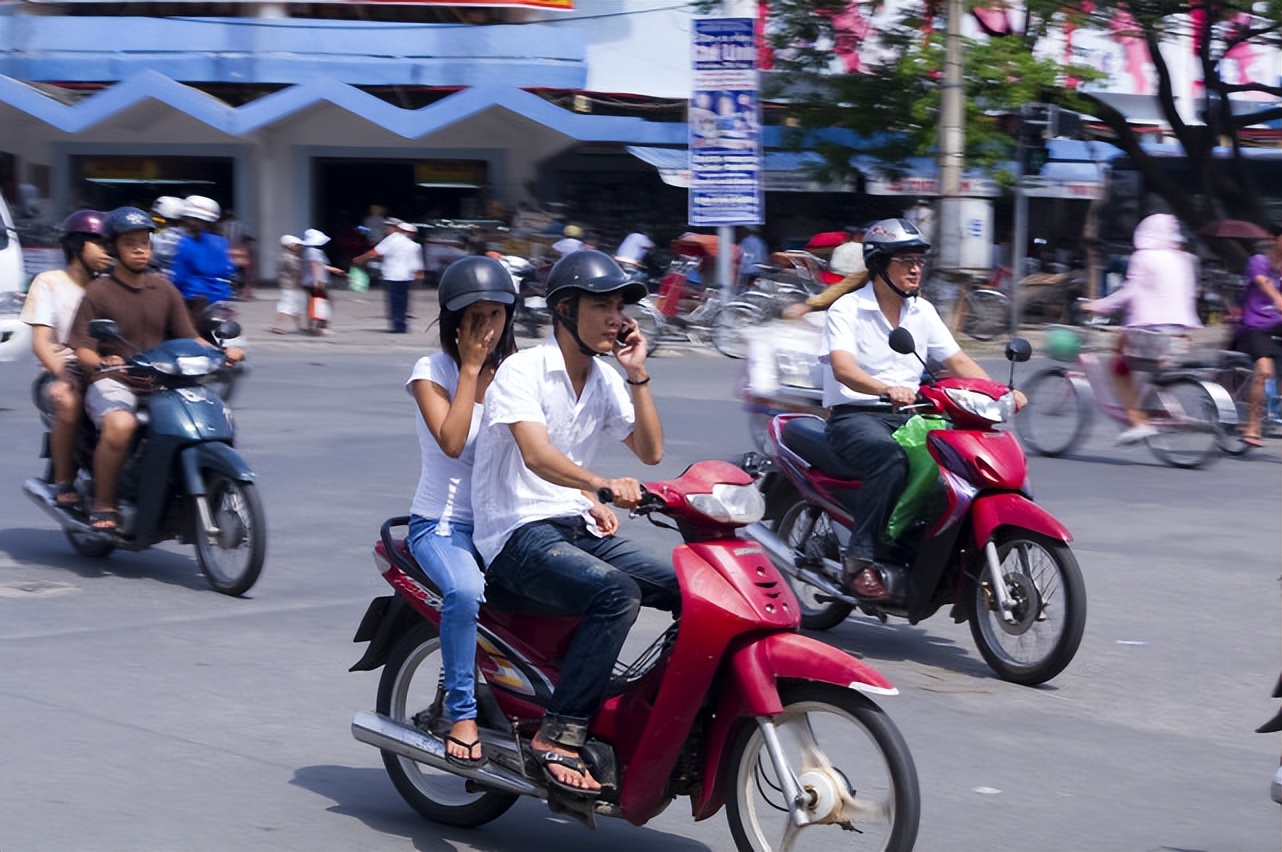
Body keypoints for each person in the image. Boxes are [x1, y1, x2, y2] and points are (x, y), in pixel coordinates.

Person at [471, 250, 680, 796]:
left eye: (620, 307)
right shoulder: (524, 371)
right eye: (603, 305)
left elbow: (652, 453)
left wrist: (638, 374)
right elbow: (537, 455)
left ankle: (655, 712)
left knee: (690, 588)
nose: (617, 318)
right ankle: (559, 735)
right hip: (516, 533)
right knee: (616, 594)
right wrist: (600, 484)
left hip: (574, 526)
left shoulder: (608, 378)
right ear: (565, 309)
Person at [821, 218, 1024, 601]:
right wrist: (885, 389)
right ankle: (860, 559)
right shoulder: (848, 309)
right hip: (857, 416)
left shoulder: (923, 312)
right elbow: (844, 368)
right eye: (905, 260)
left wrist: (1000, 392)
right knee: (891, 460)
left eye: (919, 260)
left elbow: (958, 361)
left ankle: (923, 551)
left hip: (913, 414)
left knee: (959, 465)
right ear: (879, 265)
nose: (916, 268)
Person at [67, 207, 244, 532]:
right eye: (130, 243)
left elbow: (189, 336)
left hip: (164, 380)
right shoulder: (99, 292)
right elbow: (82, 346)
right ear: (113, 248)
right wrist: (101, 362)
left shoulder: (164, 289)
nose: (139, 249)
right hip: (115, 380)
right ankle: (104, 502)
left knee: (211, 417)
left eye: (145, 243)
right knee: (120, 424)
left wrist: (221, 352)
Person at [406, 255, 517, 766]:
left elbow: (541, 450)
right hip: (442, 525)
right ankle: (462, 712)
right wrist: (471, 369)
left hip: (505, 524)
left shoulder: (517, 373)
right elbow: (452, 440)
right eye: (477, 317)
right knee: (465, 590)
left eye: (497, 316)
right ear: (455, 320)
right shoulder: (432, 371)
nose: (489, 328)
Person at [1082, 212, 1201, 444]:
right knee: (1137, 361)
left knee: (1117, 366)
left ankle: (1137, 421)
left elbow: (1131, 291)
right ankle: (1146, 405)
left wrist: (1099, 306)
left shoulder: (1144, 257)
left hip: (1150, 331)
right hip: (1181, 333)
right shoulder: (1183, 258)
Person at [21, 209, 112, 508]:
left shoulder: (108, 287)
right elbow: (41, 344)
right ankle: (63, 479)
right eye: (98, 244)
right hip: (57, 372)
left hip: (101, 369)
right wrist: (66, 374)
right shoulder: (49, 282)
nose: (106, 252)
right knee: (70, 401)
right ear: (76, 245)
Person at [1234, 225, 1282, 446]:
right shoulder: (1258, 261)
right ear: (1275, 239)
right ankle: (1253, 425)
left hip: (1278, 326)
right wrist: (1277, 298)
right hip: (1254, 327)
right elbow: (1263, 283)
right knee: (1264, 371)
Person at [353, 218, 424, 334]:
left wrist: (360, 259)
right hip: (406, 276)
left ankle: (397, 325)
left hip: (392, 275)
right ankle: (402, 324)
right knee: (403, 301)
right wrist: (419, 274)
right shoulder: (414, 245)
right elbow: (416, 262)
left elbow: (375, 252)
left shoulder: (392, 239)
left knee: (394, 301)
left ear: (398, 229)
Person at [169, 195, 236, 319]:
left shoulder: (185, 244)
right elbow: (230, 269)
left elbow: (179, 278)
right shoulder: (221, 242)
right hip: (222, 297)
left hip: (194, 300)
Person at [300, 228, 342, 335]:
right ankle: (320, 327)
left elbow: (320, 265)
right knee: (323, 303)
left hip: (310, 282)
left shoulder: (310, 251)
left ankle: (313, 326)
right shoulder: (313, 252)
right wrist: (318, 282)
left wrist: (334, 270)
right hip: (315, 282)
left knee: (315, 303)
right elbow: (315, 266)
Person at [271, 235, 305, 334]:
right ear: (289, 246)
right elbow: (296, 272)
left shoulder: (285, 257)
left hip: (290, 286)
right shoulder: (289, 258)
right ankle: (277, 327)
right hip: (289, 286)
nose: (298, 247)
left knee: (295, 307)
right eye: (296, 245)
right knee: (285, 306)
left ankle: (300, 326)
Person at [148, 196, 186, 278]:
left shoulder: (172, 237)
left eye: (158, 219)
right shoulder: (158, 232)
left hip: (168, 281)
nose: (153, 221)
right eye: (152, 217)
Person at [737, 226, 768, 293]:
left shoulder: (746, 241)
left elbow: (741, 254)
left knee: (744, 291)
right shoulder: (760, 241)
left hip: (747, 270)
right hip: (759, 269)